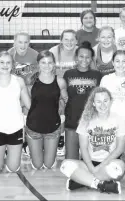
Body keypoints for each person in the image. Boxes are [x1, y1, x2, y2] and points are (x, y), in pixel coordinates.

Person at [60, 87, 125, 193]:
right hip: (88, 163)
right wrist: (91, 167)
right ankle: (101, 185)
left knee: (117, 169)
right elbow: (83, 148)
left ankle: (82, 181)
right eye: (98, 101)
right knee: (65, 165)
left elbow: (120, 148)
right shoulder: (85, 120)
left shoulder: (119, 120)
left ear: (111, 101)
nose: (103, 105)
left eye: (105, 101)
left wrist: (100, 166)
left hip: (109, 163)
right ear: (93, 103)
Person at [0, 51, 31, 173]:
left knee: (13, 168)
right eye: (2, 62)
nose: (5, 65)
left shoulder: (19, 81)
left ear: (13, 65)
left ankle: (8, 152)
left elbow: (29, 105)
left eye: (8, 62)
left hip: (16, 129)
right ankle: (0, 153)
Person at [25, 50, 68, 170]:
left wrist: (62, 103)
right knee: (37, 165)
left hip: (52, 128)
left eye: (50, 62)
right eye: (43, 62)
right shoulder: (31, 81)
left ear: (54, 64)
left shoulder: (60, 81)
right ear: (38, 64)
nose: (47, 66)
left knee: (48, 165)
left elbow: (64, 100)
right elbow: (26, 104)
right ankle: (30, 147)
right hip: (33, 126)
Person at [63, 41, 103, 160]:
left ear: (91, 59)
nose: (84, 59)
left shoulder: (98, 75)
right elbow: (63, 95)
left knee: (92, 160)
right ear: (76, 57)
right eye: (81, 56)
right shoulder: (68, 74)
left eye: (87, 57)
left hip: (92, 123)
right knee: (71, 161)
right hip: (72, 123)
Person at [49, 29, 78, 157]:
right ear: (61, 40)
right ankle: (60, 140)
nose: (69, 42)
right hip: (58, 86)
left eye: (72, 39)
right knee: (58, 110)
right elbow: (47, 71)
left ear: (76, 41)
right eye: (66, 39)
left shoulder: (80, 52)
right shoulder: (53, 52)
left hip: (75, 87)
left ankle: (75, 139)